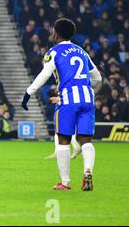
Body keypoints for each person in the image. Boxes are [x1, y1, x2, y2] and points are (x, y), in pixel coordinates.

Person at [21, 18, 102, 191]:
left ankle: (65, 183)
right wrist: (88, 90)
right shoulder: (82, 52)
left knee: (63, 140)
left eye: (52, 31)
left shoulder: (54, 52)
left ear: (56, 33)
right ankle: (88, 171)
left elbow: (44, 74)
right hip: (87, 99)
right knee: (86, 140)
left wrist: (29, 92)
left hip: (67, 100)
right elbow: (98, 78)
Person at [44, 95, 81, 160]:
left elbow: (71, 98)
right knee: (59, 132)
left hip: (66, 111)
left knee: (62, 132)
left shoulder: (70, 89)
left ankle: (75, 147)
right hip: (67, 110)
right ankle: (58, 151)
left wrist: (58, 99)